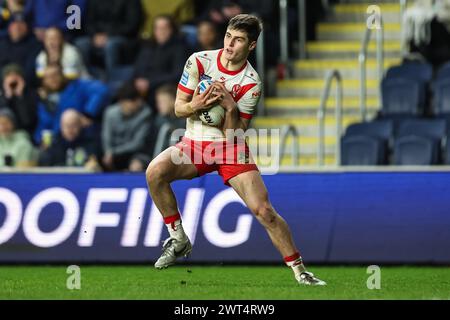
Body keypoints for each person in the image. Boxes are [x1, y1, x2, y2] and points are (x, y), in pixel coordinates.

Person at [145, 14, 326, 286]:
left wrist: (229, 107)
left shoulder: (251, 83)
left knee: (264, 211)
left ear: (251, 46)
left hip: (230, 148)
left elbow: (234, 135)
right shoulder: (199, 61)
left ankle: (301, 272)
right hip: (194, 142)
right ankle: (179, 239)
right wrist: (197, 105)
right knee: (154, 172)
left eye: (238, 40)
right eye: (228, 36)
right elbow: (178, 107)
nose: (230, 44)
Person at [34, 63, 109, 145]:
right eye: (48, 77)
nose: (52, 79)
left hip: (82, 137)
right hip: (59, 142)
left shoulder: (77, 86)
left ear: (62, 75)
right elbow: (44, 125)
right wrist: (40, 140)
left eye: (55, 75)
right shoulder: (45, 102)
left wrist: (88, 114)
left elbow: (101, 90)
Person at [74, 0, 142, 78]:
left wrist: (108, 35)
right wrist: (94, 35)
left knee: (110, 45)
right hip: (96, 36)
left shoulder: (132, 2)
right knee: (80, 43)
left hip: (122, 36)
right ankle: (87, 77)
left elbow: (132, 25)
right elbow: (88, 22)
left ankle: (113, 79)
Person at [133, 15, 188, 106]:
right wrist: (137, 81)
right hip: (141, 85)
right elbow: (138, 67)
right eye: (157, 28)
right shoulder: (148, 46)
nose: (161, 32)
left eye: (164, 28)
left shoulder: (179, 48)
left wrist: (150, 83)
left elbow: (178, 74)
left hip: (162, 85)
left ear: (172, 30)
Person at [101, 82, 153, 172]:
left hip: (135, 153)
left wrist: (113, 152)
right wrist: (108, 152)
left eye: (138, 100)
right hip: (113, 154)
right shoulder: (110, 113)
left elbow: (137, 144)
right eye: (133, 101)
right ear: (122, 102)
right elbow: (106, 136)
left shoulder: (145, 114)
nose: (138, 103)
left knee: (136, 165)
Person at [0, 63, 37, 136]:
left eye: (16, 75)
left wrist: (20, 96)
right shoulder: (2, 96)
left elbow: (27, 121)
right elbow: (2, 117)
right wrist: (8, 96)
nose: (13, 78)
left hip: (25, 134)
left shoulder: (31, 95)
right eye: (9, 75)